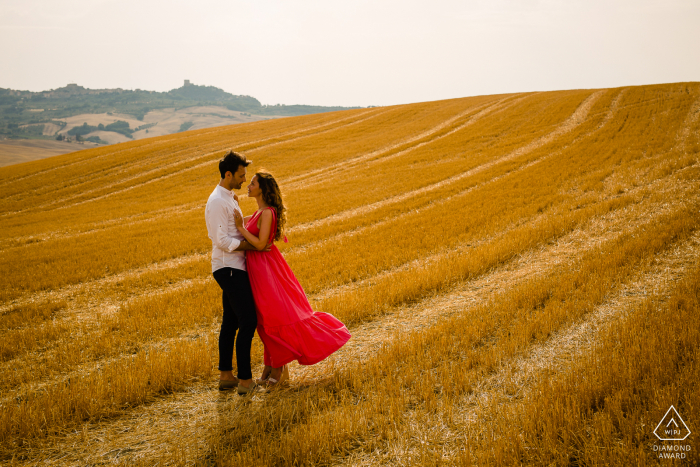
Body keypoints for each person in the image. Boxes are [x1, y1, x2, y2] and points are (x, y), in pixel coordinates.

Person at [233, 170, 351, 385]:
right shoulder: (259, 213)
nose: (248, 186)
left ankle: (277, 371)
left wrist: (241, 227)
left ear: (262, 189)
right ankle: (271, 368)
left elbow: (259, 244)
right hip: (257, 268)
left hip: (266, 269)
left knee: (273, 317)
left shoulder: (267, 212)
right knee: (264, 319)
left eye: (252, 183)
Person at [204, 150, 266, 395]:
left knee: (230, 321)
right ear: (228, 174)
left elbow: (235, 228)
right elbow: (221, 239)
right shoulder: (218, 200)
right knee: (248, 320)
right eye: (241, 176)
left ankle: (226, 376)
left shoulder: (229, 197)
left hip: (233, 266)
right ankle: (245, 381)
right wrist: (251, 245)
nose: (244, 180)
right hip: (228, 266)